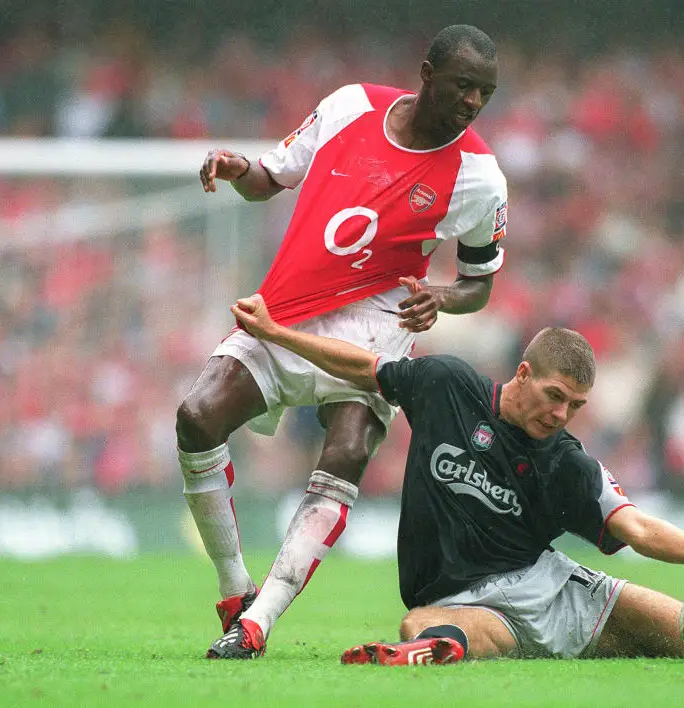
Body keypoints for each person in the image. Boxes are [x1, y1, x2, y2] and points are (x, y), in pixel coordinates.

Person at [183, 24, 508, 660]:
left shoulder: (480, 177)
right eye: (463, 86)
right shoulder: (349, 106)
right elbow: (269, 178)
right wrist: (236, 167)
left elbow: (478, 284)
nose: (473, 103)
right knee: (196, 417)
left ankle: (259, 623)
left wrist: (441, 297)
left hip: (376, 324)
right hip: (291, 306)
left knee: (350, 446)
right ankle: (233, 591)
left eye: (485, 94)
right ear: (427, 73)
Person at [229, 293, 684, 664]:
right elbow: (362, 366)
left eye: (575, 405)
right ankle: (426, 652)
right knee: (420, 625)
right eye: (553, 396)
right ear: (522, 374)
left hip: (553, 591)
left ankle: (434, 648)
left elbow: (636, 529)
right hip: (460, 600)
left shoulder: (568, 463)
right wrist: (277, 334)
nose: (561, 414)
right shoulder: (447, 386)